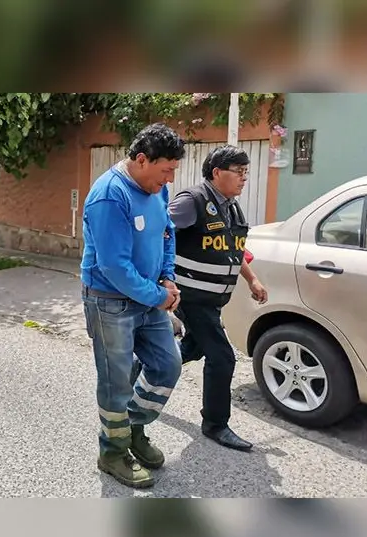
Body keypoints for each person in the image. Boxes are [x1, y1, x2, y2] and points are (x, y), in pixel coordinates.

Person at [80, 123, 185, 489]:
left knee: (168, 365)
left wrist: (168, 276)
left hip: (150, 295)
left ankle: (132, 429)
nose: (170, 178)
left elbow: (166, 233)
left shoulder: (157, 187)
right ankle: (112, 452)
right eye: (166, 170)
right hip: (110, 302)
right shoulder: (109, 196)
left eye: (173, 170)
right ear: (141, 160)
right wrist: (160, 297)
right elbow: (115, 267)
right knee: (115, 381)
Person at [168, 145, 268, 451]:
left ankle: (147, 365)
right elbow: (157, 233)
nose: (244, 178)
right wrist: (161, 282)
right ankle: (215, 424)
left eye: (246, 172)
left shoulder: (231, 207)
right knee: (222, 356)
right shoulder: (192, 201)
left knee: (195, 348)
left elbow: (231, 251)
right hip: (191, 297)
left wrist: (252, 279)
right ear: (216, 173)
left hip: (212, 300)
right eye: (237, 172)